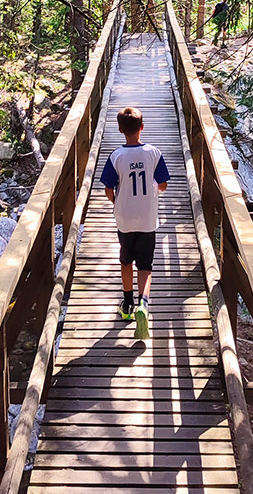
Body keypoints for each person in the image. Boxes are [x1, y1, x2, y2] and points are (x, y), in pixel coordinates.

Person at [99, 106, 170, 339]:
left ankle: (127, 304)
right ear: (142, 127)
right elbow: (163, 184)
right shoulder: (153, 153)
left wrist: (116, 201)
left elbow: (108, 188)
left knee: (126, 260)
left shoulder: (116, 156)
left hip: (125, 218)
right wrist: (153, 190)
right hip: (148, 218)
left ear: (120, 130)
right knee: (146, 266)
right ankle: (144, 304)